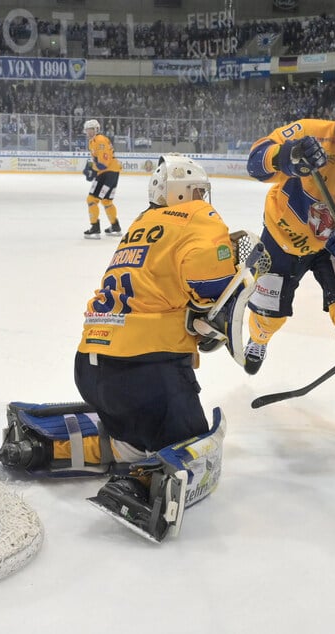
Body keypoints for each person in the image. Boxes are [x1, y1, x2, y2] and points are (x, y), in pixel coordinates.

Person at [72, 154, 259, 541]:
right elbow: (211, 292)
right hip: (146, 373)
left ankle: (55, 444)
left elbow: (157, 292)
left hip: (90, 367)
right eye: (196, 190)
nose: (202, 198)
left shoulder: (140, 224)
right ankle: (137, 486)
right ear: (179, 192)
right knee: (195, 449)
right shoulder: (197, 216)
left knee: (132, 432)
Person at [241, 81, 335, 438]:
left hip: (330, 245)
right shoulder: (309, 132)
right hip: (283, 237)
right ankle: (258, 339)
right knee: (267, 314)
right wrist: (287, 155)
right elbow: (255, 161)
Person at [81, 119, 122, 239]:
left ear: (96, 129)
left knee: (91, 200)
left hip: (107, 172)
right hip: (111, 172)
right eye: (87, 130)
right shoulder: (93, 141)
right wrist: (93, 169)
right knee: (106, 201)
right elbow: (97, 161)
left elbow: (103, 163)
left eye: (90, 129)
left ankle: (95, 228)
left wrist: (93, 170)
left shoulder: (100, 140)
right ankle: (115, 227)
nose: (87, 132)